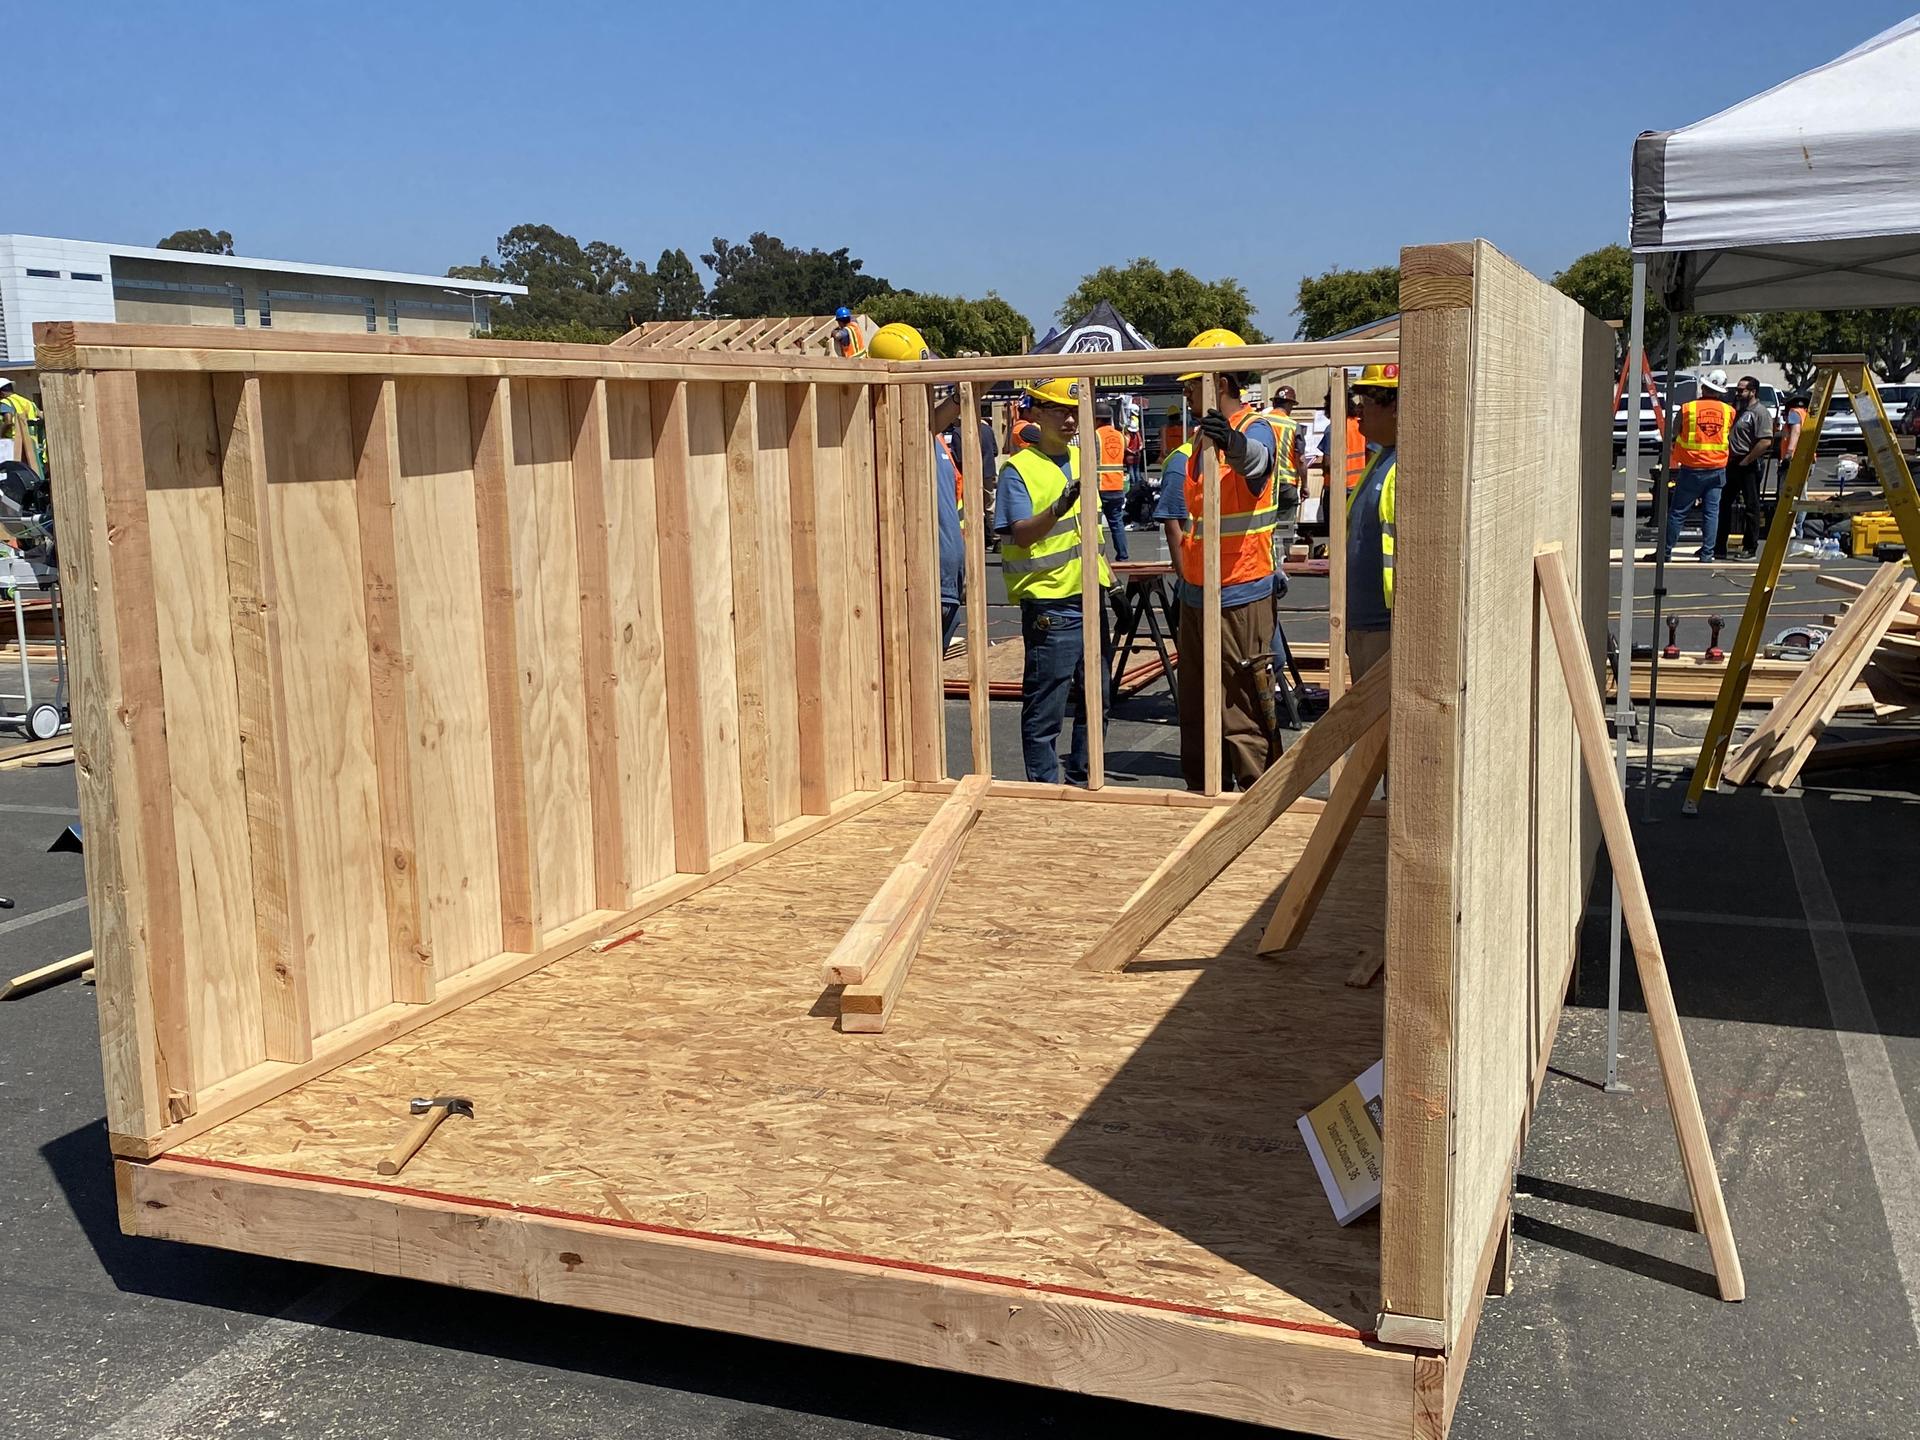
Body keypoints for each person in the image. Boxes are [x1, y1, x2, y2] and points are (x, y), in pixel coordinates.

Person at [1152, 329, 1299, 790]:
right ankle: (1203, 795)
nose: (1188, 392)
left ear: (1220, 382)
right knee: (1195, 706)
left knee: (1242, 710)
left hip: (1240, 591)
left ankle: (1256, 811)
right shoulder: (1201, 439)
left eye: (1194, 383)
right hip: (1199, 591)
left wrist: (1231, 444)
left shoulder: (1255, 429)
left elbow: (1257, 462)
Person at [995, 376, 1115, 784]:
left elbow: (1091, 532)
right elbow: (1019, 532)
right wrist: (1059, 506)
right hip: (1051, 604)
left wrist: (1110, 581)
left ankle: (1084, 779)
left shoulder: (1084, 460)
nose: (1069, 420)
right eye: (1059, 410)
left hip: (1090, 597)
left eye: (1074, 412)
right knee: (1047, 705)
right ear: (1037, 413)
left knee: (1097, 700)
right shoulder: (1019, 469)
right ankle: (1046, 788)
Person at [869, 323, 965, 647]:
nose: (928, 391)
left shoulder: (924, 429)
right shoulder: (888, 435)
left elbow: (936, 419)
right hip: (925, 584)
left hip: (947, 582)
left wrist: (966, 388)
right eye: (920, 382)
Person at [1345, 363, 1399, 679]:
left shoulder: (1408, 465)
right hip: (1364, 621)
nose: (1358, 412)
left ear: (1395, 405)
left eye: (1367, 402)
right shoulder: (1380, 459)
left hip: (1386, 625)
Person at [1661, 370, 1733, 562]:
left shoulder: (1687, 409)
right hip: (1717, 469)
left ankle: (1665, 552)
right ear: (1721, 391)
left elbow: (1673, 434)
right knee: (1711, 513)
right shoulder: (1729, 412)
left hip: (1692, 468)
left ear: (1703, 387)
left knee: (1678, 512)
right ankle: (1707, 554)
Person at [1715, 375, 1774, 559]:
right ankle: (1718, 546)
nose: (1738, 393)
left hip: (1747, 464)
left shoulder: (1760, 412)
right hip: (1731, 463)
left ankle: (1750, 547)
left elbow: (1765, 441)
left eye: (1742, 390)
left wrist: (1747, 460)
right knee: (1723, 504)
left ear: (1753, 392)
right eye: (1737, 390)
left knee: (1751, 506)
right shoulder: (1738, 409)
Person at [1093, 401, 1131, 561]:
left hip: (1100, 486)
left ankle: (1097, 556)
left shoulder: (1095, 435)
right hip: (1117, 485)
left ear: (1097, 419)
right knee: (1116, 522)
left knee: (1094, 524)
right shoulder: (1120, 437)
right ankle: (1123, 555)